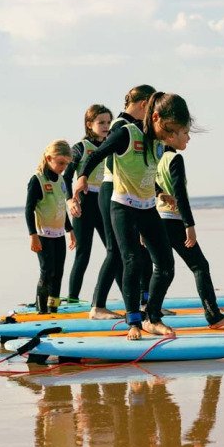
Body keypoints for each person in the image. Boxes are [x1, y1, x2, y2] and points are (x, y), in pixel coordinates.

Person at [73, 92, 190, 340]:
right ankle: (133, 322)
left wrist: (160, 193)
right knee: (132, 262)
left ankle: (152, 318)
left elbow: (146, 170)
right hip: (123, 207)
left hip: (148, 208)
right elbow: (97, 154)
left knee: (166, 265)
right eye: (170, 129)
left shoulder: (159, 141)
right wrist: (82, 177)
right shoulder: (126, 133)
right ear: (155, 117)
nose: (171, 135)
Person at [73, 86, 156, 320]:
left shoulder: (132, 125)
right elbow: (101, 157)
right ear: (144, 104)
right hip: (113, 189)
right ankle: (98, 306)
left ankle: (143, 303)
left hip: (125, 190)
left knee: (128, 251)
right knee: (115, 249)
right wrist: (81, 179)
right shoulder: (121, 126)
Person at [156, 129, 224, 328]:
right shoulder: (174, 159)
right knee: (199, 266)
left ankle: (149, 313)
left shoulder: (155, 160)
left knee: (162, 269)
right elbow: (180, 194)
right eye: (184, 132)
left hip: (156, 219)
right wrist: (189, 225)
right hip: (173, 219)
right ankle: (214, 317)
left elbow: (149, 187)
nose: (188, 137)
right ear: (170, 135)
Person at [64, 104, 112, 302]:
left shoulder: (112, 144)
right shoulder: (80, 148)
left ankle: (128, 298)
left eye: (108, 122)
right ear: (89, 124)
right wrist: (69, 201)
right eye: (101, 122)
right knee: (83, 254)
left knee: (114, 251)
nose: (106, 126)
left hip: (106, 202)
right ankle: (73, 299)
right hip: (85, 202)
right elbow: (66, 177)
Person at [25, 140, 76, 314]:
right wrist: (33, 235)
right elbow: (29, 209)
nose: (63, 167)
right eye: (61, 163)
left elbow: (62, 206)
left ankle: (53, 308)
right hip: (42, 234)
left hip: (58, 234)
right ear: (49, 158)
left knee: (59, 272)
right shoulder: (37, 180)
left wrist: (70, 230)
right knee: (48, 271)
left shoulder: (61, 180)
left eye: (66, 164)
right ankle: (41, 310)